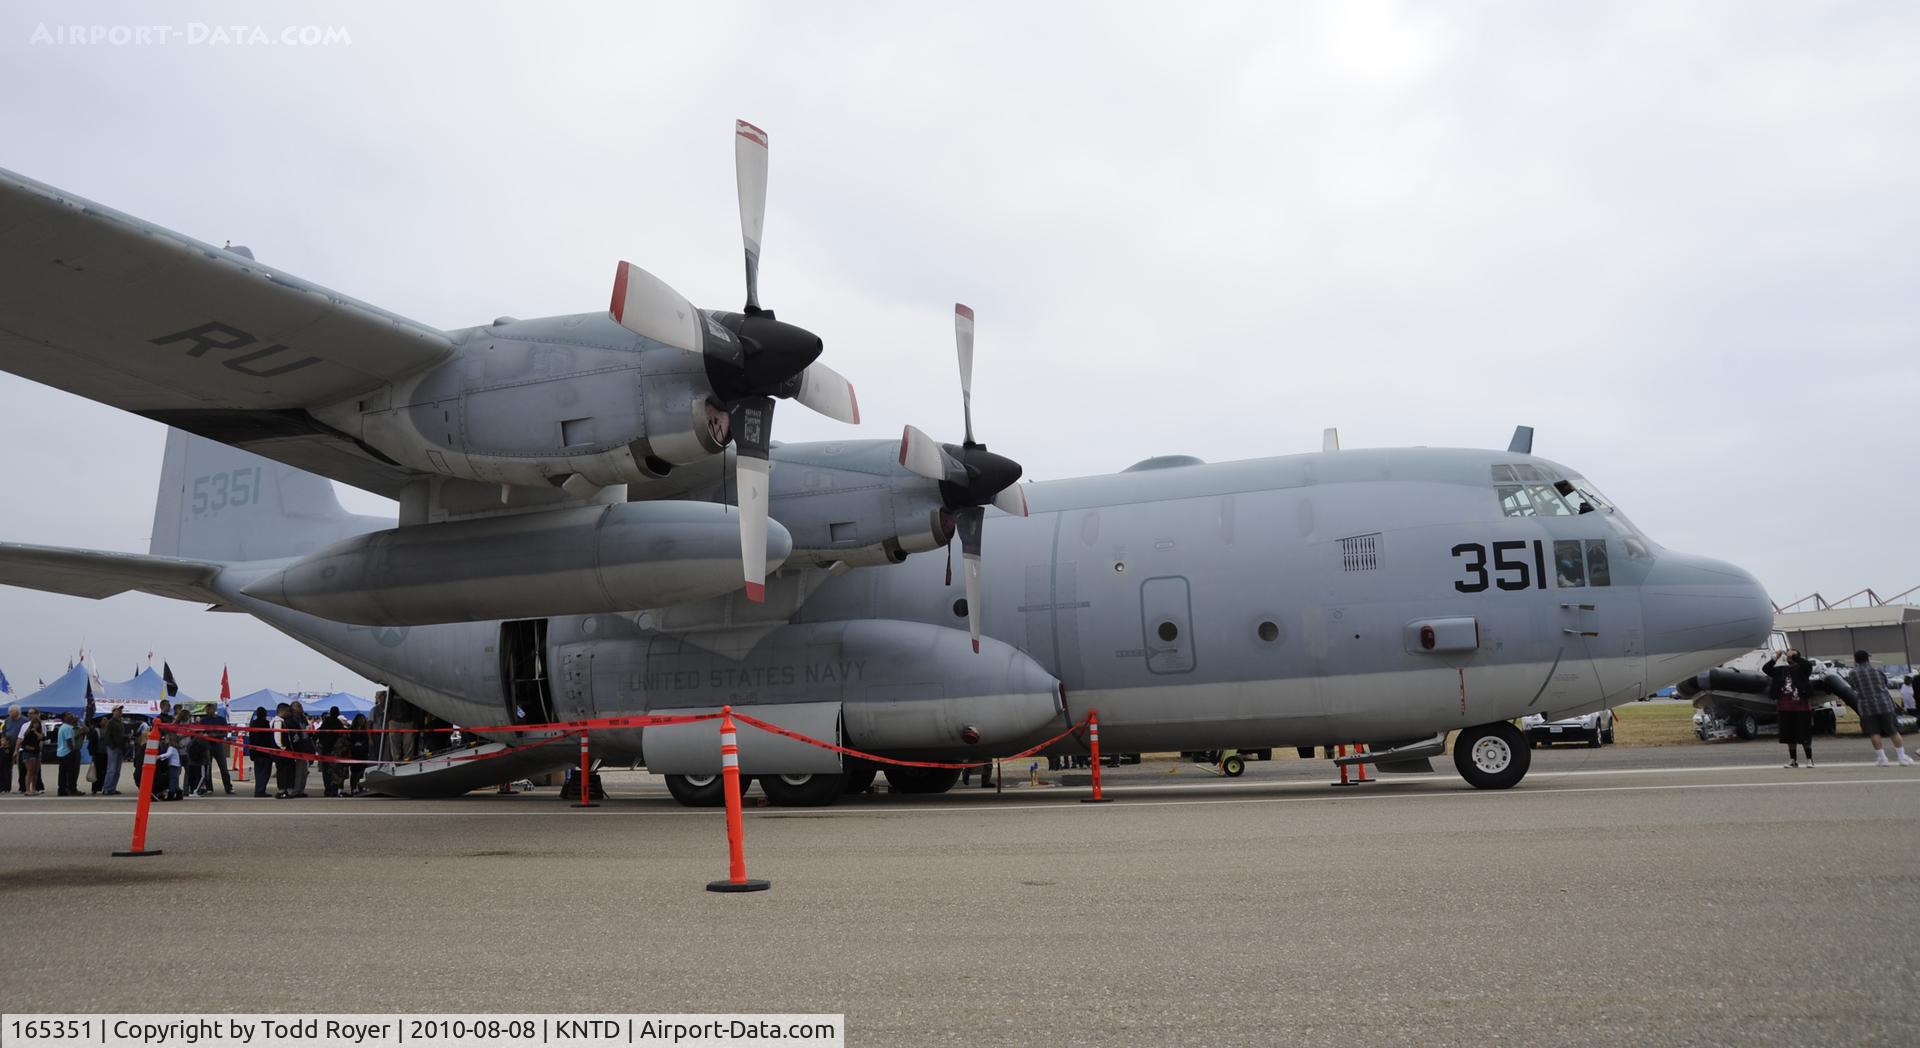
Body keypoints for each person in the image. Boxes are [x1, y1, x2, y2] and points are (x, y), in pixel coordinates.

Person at [1845, 651, 1912, 767]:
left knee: (1874, 732)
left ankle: (1882, 758)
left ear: (1856, 660)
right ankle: (1902, 758)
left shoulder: (1852, 673)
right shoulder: (1877, 670)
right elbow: (1885, 683)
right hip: (1884, 704)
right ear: (1868, 659)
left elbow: (1853, 688)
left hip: (1866, 707)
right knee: (1893, 731)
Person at [1763, 649, 1816, 768]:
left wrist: (1795, 657)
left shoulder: (1803, 669)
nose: (1788, 655)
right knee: (1789, 735)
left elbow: (1807, 665)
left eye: (1791, 653)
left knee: (1804, 734)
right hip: (1784, 707)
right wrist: (1775, 658)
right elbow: (1766, 669)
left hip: (1801, 707)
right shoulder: (1780, 669)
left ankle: (1809, 759)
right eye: (1788, 653)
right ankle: (1793, 760)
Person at [199, 706, 233, 795]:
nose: (207, 711)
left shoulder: (221, 720)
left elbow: (225, 732)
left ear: (214, 710)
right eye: (206, 710)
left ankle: (228, 787)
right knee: (207, 768)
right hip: (207, 746)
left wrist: (216, 735)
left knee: (224, 768)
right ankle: (209, 788)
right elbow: (200, 732)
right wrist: (207, 735)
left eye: (209, 709)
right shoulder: (203, 720)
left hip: (218, 746)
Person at [318, 706, 346, 797]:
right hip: (334, 751)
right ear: (338, 713)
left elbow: (317, 734)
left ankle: (328, 790)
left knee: (326, 772)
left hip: (326, 750)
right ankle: (333, 790)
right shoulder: (338, 723)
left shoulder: (326, 722)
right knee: (335, 771)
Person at [100, 707, 127, 795]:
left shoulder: (120, 722)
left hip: (120, 747)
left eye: (120, 710)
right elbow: (106, 736)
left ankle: (112, 788)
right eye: (118, 710)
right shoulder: (110, 722)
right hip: (113, 748)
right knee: (111, 769)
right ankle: (107, 788)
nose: (120, 711)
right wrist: (111, 746)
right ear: (113, 712)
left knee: (117, 770)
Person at [247, 707, 273, 797]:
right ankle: (261, 790)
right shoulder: (266, 724)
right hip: (265, 752)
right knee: (265, 772)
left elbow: (251, 738)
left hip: (255, 751)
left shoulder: (252, 724)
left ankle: (258, 789)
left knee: (258, 772)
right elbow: (269, 738)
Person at [55, 713, 81, 795]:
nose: (71, 715)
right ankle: (70, 789)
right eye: (68, 715)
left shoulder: (63, 727)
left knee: (62, 772)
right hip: (67, 752)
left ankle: (62, 789)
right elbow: (69, 740)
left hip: (61, 752)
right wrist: (72, 750)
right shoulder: (68, 728)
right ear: (65, 718)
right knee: (70, 772)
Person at [346, 714, 371, 796]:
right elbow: (349, 740)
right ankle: (353, 788)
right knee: (354, 772)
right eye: (359, 719)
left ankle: (360, 787)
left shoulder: (366, 730)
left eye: (363, 719)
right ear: (356, 720)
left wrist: (363, 744)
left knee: (362, 772)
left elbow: (368, 740)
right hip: (354, 753)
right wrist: (354, 744)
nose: (361, 720)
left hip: (363, 753)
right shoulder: (352, 730)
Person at [19, 716, 43, 796]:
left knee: (35, 772)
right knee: (30, 771)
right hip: (28, 753)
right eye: (34, 724)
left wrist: (36, 731)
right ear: (32, 724)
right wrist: (30, 747)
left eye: (37, 724)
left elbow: (41, 737)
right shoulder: (28, 732)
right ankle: (27, 789)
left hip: (36, 752)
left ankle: (34, 788)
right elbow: (23, 744)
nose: (36, 725)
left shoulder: (39, 732)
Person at [86, 716, 106, 794]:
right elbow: (92, 742)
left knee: (104, 771)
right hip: (98, 753)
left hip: (105, 753)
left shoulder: (107, 730)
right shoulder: (96, 731)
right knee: (97, 771)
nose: (105, 721)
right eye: (104, 720)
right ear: (100, 722)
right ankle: (95, 788)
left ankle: (101, 787)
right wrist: (92, 753)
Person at [1, 704, 18, 793]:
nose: (9, 713)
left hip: (16, 749)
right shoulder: (7, 721)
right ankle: (2, 787)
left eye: (11, 711)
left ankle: (7, 787)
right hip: (5, 750)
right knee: (2, 771)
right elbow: (3, 732)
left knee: (8, 772)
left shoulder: (24, 720)